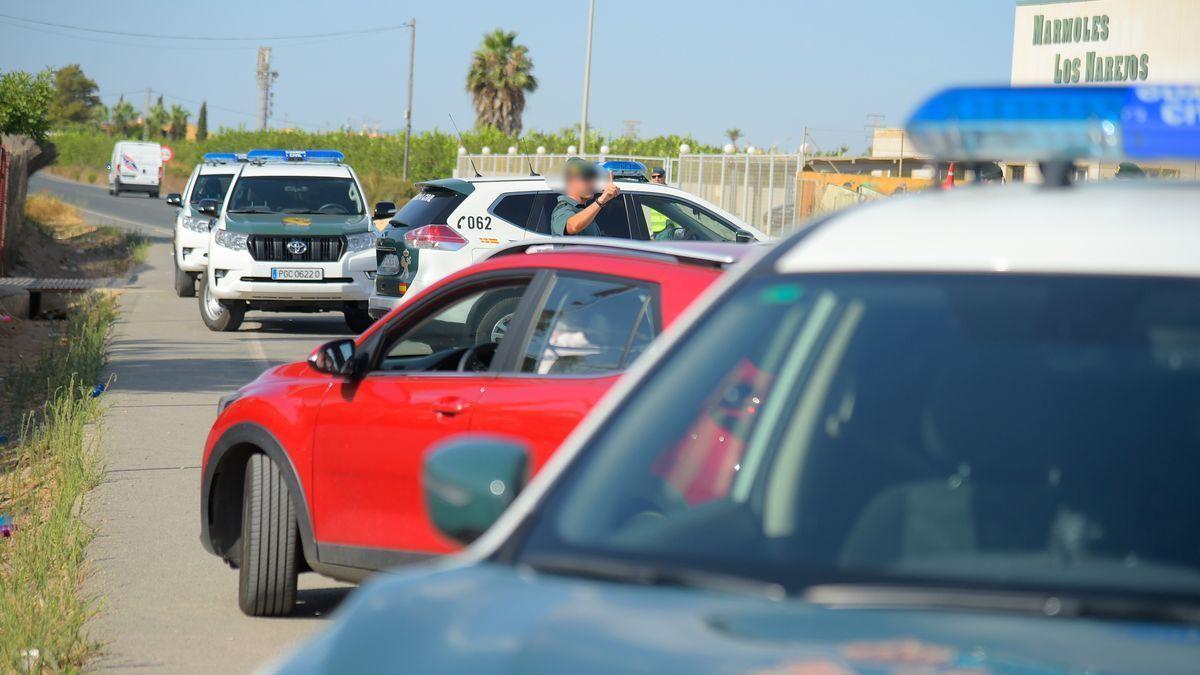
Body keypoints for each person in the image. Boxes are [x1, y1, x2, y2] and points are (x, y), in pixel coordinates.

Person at [551, 157, 619, 236]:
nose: (593, 183)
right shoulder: (563, 209)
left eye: (594, 178)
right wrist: (601, 201)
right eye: (587, 177)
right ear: (571, 180)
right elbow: (572, 226)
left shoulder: (583, 212)